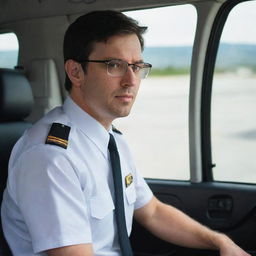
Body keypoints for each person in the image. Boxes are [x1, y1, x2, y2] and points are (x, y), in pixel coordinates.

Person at [1, 10, 250, 256]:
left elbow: (152, 212)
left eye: (137, 66)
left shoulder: (111, 140)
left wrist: (220, 242)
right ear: (76, 72)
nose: (131, 80)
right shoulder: (50, 158)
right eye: (115, 65)